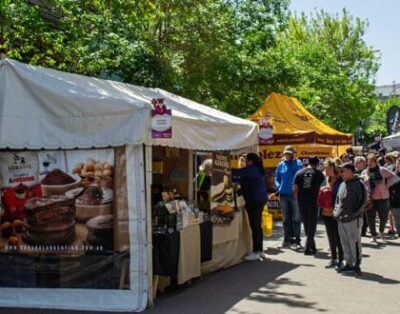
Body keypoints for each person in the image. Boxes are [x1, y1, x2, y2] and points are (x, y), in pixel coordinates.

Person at [333, 162, 368, 276]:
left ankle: (356, 264)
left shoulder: (359, 184)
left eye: (343, 170)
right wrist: (336, 213)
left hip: (353, 219)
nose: (341, 173)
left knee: (355, 241)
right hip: (341, 219)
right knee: (345, 242)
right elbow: (338, 200)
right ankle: (348, 263)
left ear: (350, 171)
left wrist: (353, 215)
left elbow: (363, 201)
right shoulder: (343, 184)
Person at [232, 153, 267, 261]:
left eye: (246, 160)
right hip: (258, 199)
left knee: (255, 225)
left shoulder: (251, 169)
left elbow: (236, 173)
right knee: (257, 225)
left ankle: (256, 251)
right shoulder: (256, 169)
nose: (245, 162)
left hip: (254, 200)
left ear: (251, 161)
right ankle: (260, 250)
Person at [361, 154, 399, 242]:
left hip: (383, 197)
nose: (369, 163)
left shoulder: (383, 170)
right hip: (370, 198)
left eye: (371, 162)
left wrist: (387, 183)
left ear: (375, 162)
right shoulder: (365, 172)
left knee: (383, 217)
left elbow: (395, 178)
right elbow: (362, 183)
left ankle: (381, 231)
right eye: (368, 162)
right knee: (370, 217)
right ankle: (373, 235)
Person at [294, 156, 325, 255]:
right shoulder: (319, 174)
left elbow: (295, 189)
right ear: (317, 164)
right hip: (314, 201)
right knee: (312, 225)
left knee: (306, 224)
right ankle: (308, 248)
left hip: (302, 201)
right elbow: (323, 188)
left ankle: (312, 246)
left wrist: (297, 199)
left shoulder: (299, 173)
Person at [274, 146, 303, 249]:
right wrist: (279, 186)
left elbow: (300, 172)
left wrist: (294, 160)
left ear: (293, 154)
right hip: (283, 195)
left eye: (289, 153)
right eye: (286, 153)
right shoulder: (280, 165)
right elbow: (276, 178)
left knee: (296, 218)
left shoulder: (297, 163)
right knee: (286, 219)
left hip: (294, 195)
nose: (288, 155)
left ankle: (297, 240)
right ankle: (287, 239)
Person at [318, 158, 344, 268]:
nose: (326, 170)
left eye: (328, 168)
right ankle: (333, 258)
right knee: (330, 236)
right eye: (325, 168)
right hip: (326, 212)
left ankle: (341, 260)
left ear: (334, 168)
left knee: (338, 237)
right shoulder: (327, 179)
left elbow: (340, 195)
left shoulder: (341, 180)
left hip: (337, 212)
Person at [354, 156, 369, 237]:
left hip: (365, 194)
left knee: (364, 214)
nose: (355, 164)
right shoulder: (354, 171)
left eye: (357, 162)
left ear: (362, 163)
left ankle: (364, 230)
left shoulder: (366, 171)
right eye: (355, 162)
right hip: (356, 196)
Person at [389, 157, 400, 237]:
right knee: (397, 219)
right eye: (397, 163)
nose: (398, 165)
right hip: (395, 201)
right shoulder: (392, 175)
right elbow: (388, 188)